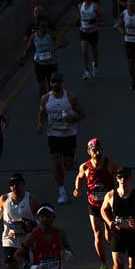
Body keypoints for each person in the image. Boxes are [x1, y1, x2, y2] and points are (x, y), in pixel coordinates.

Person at [73, 138, 119, 269]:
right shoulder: (85, 167)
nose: (97, 152)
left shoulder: (109, 164)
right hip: (93, 205)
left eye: (99, 150)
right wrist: (77, 189)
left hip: (108, 207)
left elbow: (121, 174)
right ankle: (104, 264)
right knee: (97, 235)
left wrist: (120, 190)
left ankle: (116, 256)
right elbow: (79, 177)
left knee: (108, 234)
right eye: (94, 150)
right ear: (89, 151)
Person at [37, 73, 86, 205]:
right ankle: (62, 191)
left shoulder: (70, 98)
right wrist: (40, 125)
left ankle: (70, 163)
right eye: (53, 82)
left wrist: (73, 118)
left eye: (57, 82)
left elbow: (83, 114)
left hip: (69, 135)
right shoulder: (45, 98)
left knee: (68, 165)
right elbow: (41, 114)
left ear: (62, 83)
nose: (55, 84)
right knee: (57, 164)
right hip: (53, 136)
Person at [23, 17, 62, 98]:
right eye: (42, 26)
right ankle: (43, 102)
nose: (44, 28)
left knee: (52, 85)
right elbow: (28, 47)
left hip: (51, 64)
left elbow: (64, 42)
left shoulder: (50, 34)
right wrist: (24, 56)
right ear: (38, 26)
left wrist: (56, 47)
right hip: (39, 64)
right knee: (41, 85)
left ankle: (52, 102)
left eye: (46, 26)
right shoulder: (34, 36)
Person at [77, 0, 104, 79]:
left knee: (94, 51)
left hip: (93, 32)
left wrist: (95, 20)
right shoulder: (80, 5)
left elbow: (102, 18)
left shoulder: (95, 6)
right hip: (83, 32)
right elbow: (79, 17)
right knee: (84, 51)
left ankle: (95, 64)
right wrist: (78, 22)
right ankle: (86, 70)